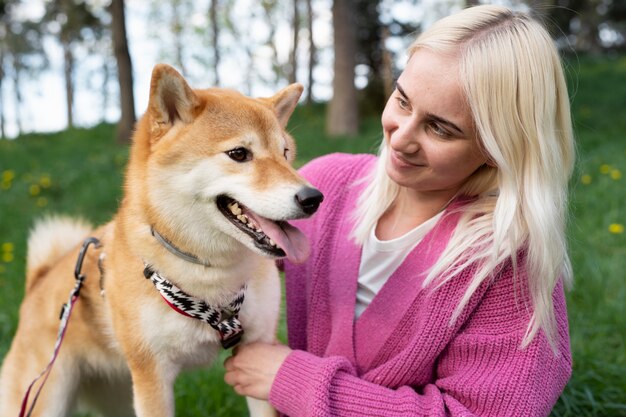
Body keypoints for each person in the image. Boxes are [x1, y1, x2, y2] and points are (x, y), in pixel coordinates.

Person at [224, 4, 574, 416]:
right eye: (403, 101)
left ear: (498, 149)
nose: (401, 139)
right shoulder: (327, 186)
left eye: (441, 128)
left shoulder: (507, 261)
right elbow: (227, 271)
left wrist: (292, 380)